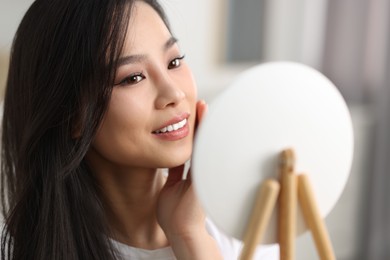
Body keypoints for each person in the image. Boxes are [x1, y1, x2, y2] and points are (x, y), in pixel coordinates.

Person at [0, 0, 279, 259]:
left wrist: (190, 237)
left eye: (174, 62)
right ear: (72, 117)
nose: (174, 93)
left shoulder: (247, 229)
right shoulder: (22, 251)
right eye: (133, 78)